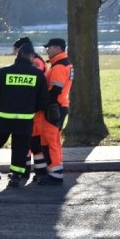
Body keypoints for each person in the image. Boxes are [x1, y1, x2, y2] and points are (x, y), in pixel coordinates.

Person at [0, 43, 49, 188]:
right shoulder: (37, 75)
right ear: (30, 56)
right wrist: (30, 109)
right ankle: (16, 177)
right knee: (20, 148)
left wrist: (0, 106)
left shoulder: (4, 72)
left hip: (2, 117)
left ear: (18, 55)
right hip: (24, 119)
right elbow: (43, 101)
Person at [36, 38, 73, 186]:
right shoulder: (66, 64)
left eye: (49, 48)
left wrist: (42, 103)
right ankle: (55, 171)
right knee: (54, 140)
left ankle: (55, 174)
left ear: (57, 48)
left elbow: (55, 90)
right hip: (60, 106)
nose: (47, 50)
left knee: (50, 140)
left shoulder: (58, 67)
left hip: (53, 107)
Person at [13, 36, 47, 179]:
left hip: (34, 111)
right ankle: (24, 170)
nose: (14, 52)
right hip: (29, 108)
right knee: (26, 143)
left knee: (34, 143)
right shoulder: (34, 61)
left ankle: (40, 172)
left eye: (16, 50)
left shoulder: (36, 62)